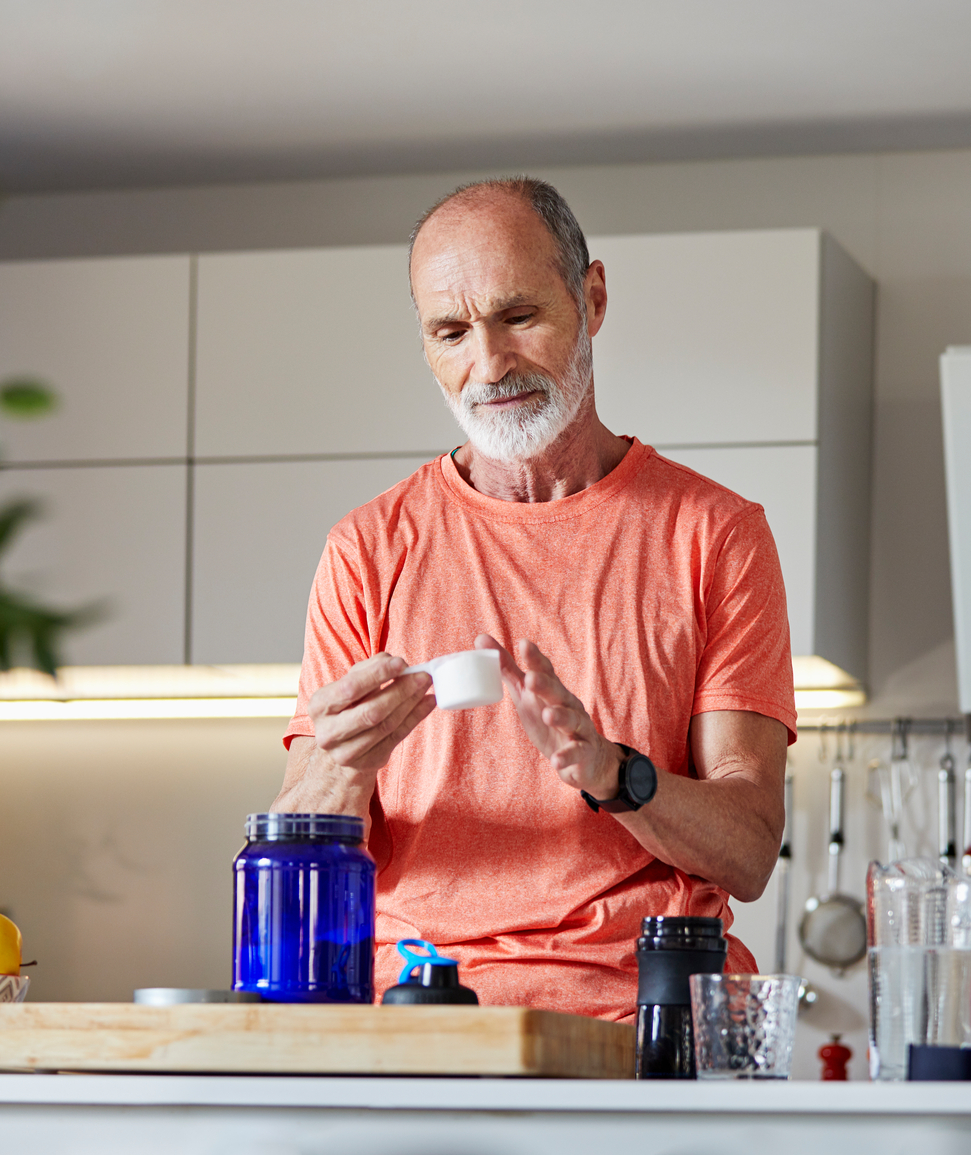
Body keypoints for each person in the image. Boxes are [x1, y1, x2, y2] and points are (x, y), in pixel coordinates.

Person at [273, 176, 795, 1020]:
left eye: (519, 317)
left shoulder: (716, 534)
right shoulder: (367, 549)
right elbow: (295, 866)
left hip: (643, 1023)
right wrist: (341, 766)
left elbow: (749, 849)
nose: (490, 364)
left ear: (590, 297)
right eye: (451, 332)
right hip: (419, 1027)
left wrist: (615, 773)